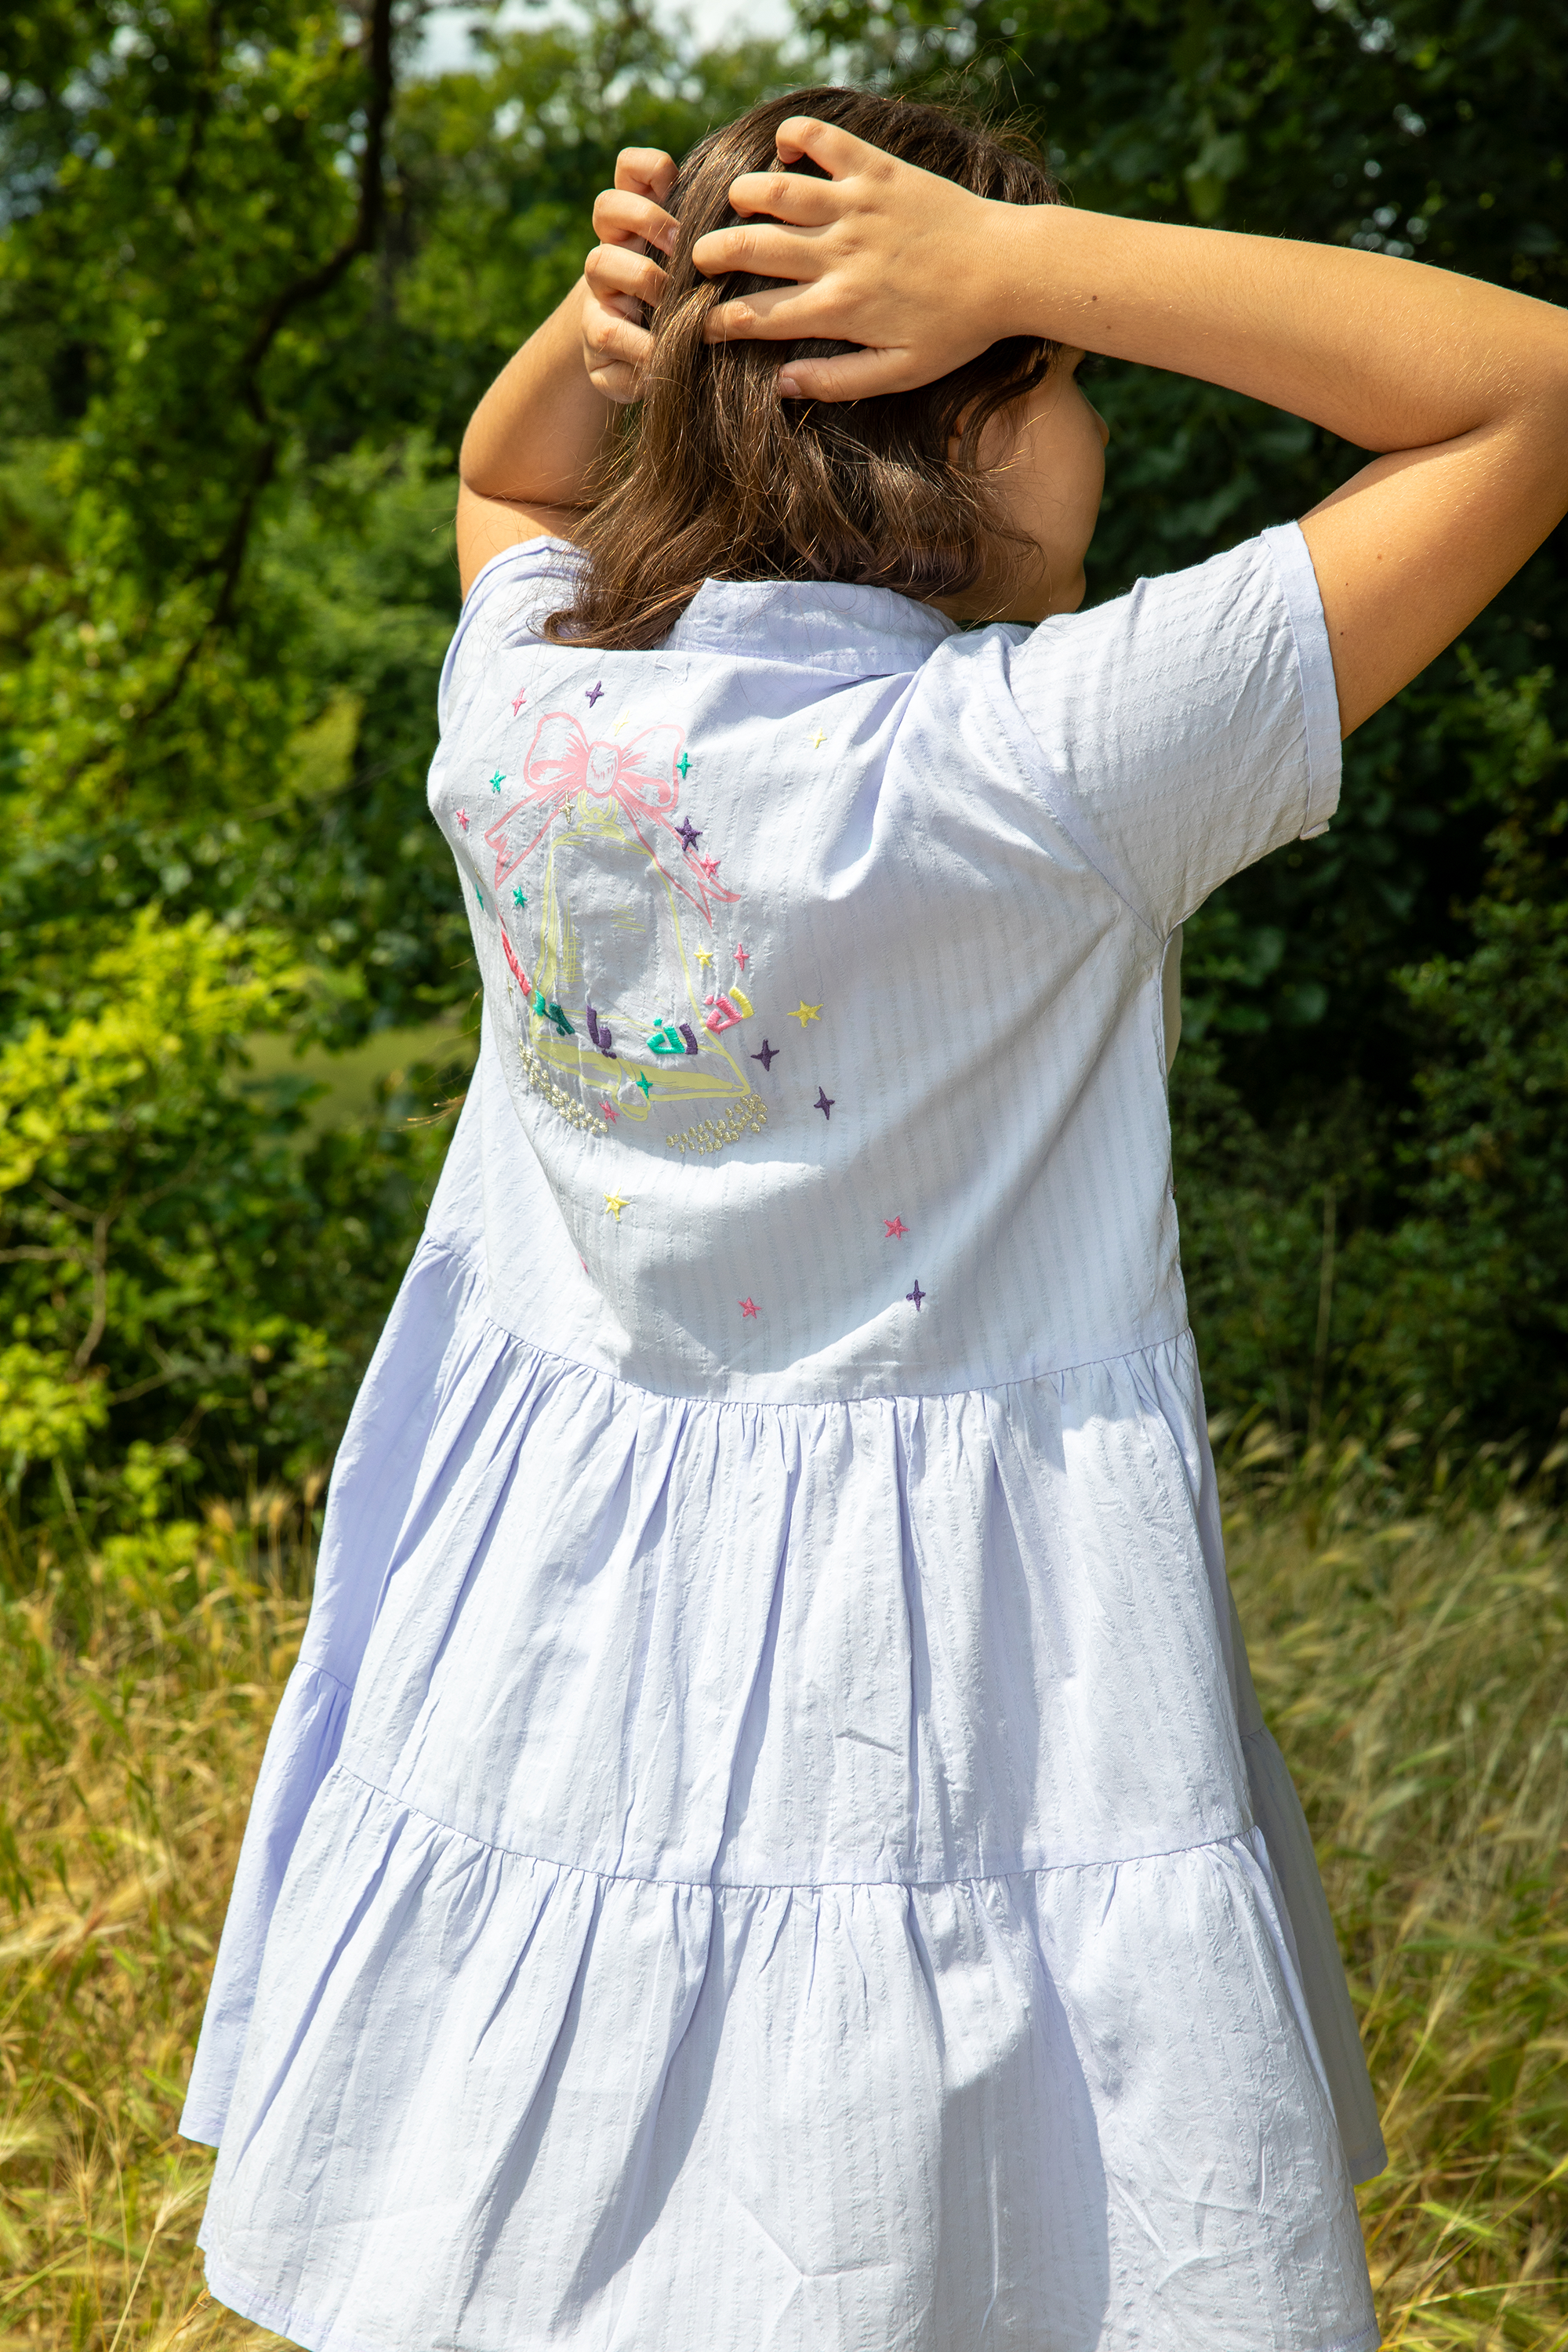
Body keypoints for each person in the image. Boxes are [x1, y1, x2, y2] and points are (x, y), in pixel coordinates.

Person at [180, 83, 1568, 2352]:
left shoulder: (527, 716)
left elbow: (510, 482)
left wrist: (605, 324)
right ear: (975, 410)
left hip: (551, 1661)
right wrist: (1028, 261)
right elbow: (1532, 384)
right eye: (1071, 380)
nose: (1093, 423)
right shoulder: (1047, 769)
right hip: (941, 1705)